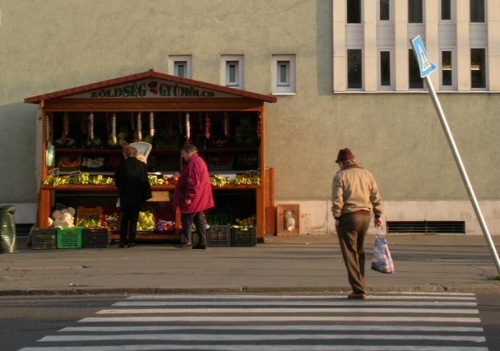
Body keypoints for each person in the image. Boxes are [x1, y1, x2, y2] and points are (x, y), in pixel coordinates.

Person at [331, 148, 384, 300]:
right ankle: (361, 283)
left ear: (342, 163)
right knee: (359, 251)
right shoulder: (367, 174)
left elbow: (337, 199)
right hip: (365, 216)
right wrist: (378, 214)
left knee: (350, 253)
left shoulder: (340, 176)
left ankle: (359, 290)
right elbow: (376, 195)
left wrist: (337, 215)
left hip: (349, 216)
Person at [173, 143, 214, 250]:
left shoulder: (194, 164)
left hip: (195, 196)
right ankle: (202, 241)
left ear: (189, 152)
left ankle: (186, 240)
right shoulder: (198, 161)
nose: (183, 156)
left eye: (183, 154)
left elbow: (193, 181)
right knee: (198, 218)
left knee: (187, 217)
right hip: (200, 195)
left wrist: (189, 196)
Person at [114, 146, 152, 248]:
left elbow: (117, 182)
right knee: (134, 219)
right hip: (137, 195)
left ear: (125, 154)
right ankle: (131, 240)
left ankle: (122, 241)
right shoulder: (142, 165)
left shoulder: (121, 165)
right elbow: (145, 181)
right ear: (136, 154)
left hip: (125, 195)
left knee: (124, 219)